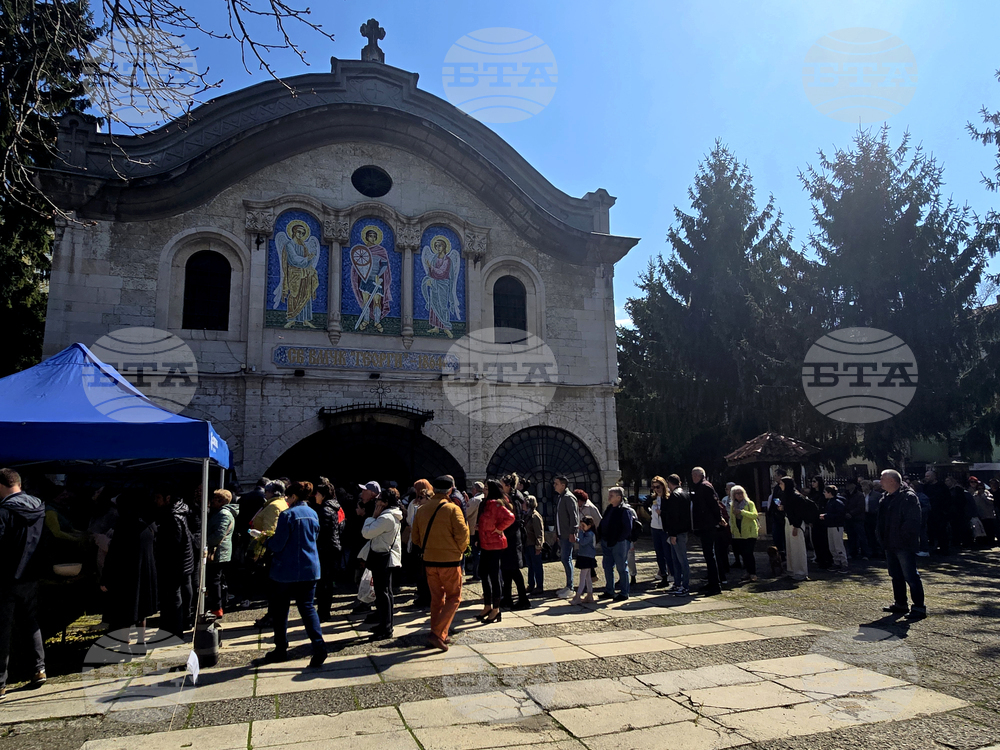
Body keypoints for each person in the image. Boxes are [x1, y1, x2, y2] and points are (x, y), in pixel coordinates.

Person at [258, 481, 327, 666]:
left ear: (294, 497)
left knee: (281, 610)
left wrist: (265, 541)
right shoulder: (313, 513)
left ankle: (281, 648)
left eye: (288, 497)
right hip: (310, 568)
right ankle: (319, 646)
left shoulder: (287, 515)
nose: (286, 500)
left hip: (286, 570)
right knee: (308, 608)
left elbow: (278, 544)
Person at [0, 469, 47, 699]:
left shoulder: (3, 511)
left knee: (2, 629)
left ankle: (0, 682)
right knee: (31, 622)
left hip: (6, 578)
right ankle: (39, 668)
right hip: (31, 575)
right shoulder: (39, 508)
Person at [411, 476, 470, 651]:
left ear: (433, 490)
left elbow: (415, 537)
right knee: (454, 597)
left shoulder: (421, 509)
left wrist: (430, 547)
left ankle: (440, 633)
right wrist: (459, 550)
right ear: (450, 490)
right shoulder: (453, 509)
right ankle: (436, 633)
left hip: (430, 560)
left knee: (437, 598)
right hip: (450, 561)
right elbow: (463, 535)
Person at [102, 490, 158, 635]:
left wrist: (105, 578)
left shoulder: (124, 525)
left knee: (124, 612)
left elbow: (114, 553)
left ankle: (125, 644)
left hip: (126, 576)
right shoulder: (149, 525)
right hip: (145, 574)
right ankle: (141, 642)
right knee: (141, 611)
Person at [877, 470, 926, 620]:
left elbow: (912, 521)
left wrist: (903, 537)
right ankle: (900, 603)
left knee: (910, 575)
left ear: (892, 481)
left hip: (903, 544)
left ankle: (919, 607)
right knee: (895, 575)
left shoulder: (908, 497)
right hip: (890, 542)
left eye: (882, 479)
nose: (880, 481)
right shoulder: (886, 498)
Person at [360, 488, 403, 640]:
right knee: (385, 592)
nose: (376, 502)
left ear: (385, 503)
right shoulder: (392, 515)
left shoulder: (386, 518)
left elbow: (366, 533)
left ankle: (386, 628)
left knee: (383, 593)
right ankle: (384, 624)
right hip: (384, 555)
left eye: (379, 500)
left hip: (382, 557)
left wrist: (372, 517)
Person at [152, 486, 194, 635]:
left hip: (175, 563)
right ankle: (173, 625)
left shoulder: (172, 516)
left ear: (168, 498)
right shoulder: (178, 511)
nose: (155, 501)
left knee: (173, 596)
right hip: (182, 561)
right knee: (176, 594)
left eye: (158, 498)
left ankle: (174, 630)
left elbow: (174, 543)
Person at [476, 480, 515, 624]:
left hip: (495, 544)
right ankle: (487, 605)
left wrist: (499, 529)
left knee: (493, 575)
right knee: (483, 574)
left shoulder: (495, 504)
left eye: (486, 488)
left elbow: (510, 517)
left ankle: (496, 609)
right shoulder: (485, 504)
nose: (484, 490)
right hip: (485, 543)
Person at [310, 479, 343, 621]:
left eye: (317, 493)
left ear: (323, 495)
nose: (314, 496)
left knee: (324, 583)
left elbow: (321, 532)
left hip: (326, 549)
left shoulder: (325, 510)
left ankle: (323, 612)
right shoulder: (333, 507)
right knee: (327, 583)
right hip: (333, 547)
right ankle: (324, 611)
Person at [690, 467, 725, 595]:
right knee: (708, 554)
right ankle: (712, 581)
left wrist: (718, 519)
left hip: (708, 525)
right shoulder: (700, 487)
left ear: (699, 475)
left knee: (710, 555)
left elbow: (714, 504)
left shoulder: (705, 486)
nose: (693, 478)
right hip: (705, 524)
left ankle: (715, 585)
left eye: (695, 475)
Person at [205, 489, 238, 619]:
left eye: (215, 499)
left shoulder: (223, 514)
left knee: (215, 581)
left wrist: (204, 540)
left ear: (222, 501)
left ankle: (217, 607)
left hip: (218, 553)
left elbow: (218, 535)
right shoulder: (221, 513)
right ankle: (218, 605)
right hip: (221, 552)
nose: (212, 501)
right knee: (218, 580)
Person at [599, 487, 632, 601]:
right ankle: (609, 590)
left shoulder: (624, 510)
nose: (609, 497)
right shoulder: (609, 508)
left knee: (622, 567)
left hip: (619, 543)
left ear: (619, 497)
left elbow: (627, 528)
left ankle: (624, 592)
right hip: (607, 541)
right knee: (607, 566)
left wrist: (619, 539)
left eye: (611, 495)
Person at [406, 479, 433, 608]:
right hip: (425, 542)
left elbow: (410, 521)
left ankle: (425, 596)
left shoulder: (414, 504)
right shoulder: (431, 503)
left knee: (422, 571)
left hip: (421, 542)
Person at [663, 475, 691, 596]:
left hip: (677, 531)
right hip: (682, 530)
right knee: (676, 559)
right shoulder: (684, 494)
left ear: (669, 483)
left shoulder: (674, 496)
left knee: (681, 559)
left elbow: (674, 516)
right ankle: (677, 583)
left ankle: (684, 585)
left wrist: (672, 533)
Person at [553, 475, 580, 598]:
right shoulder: (561, 497)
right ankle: (568, 585)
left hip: (567, 534)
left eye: (556, 483)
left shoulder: (569, 498)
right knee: (564, 558)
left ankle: (570, 586)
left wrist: (572, 532)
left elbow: (574, 517)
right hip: (562, 533)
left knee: (566, 558)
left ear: (563, 485)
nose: (554, 485)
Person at [780, 477, 809, 582]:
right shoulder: (787, 495)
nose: (780, 485)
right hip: (788, 521)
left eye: (782, 483)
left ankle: (801, 572)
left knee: (798, 548)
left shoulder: (796, 496)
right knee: (790, 548)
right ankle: (792, 570)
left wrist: (796, 526)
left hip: (796, 523)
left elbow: (800, 513)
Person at [728, 485, 759, 582]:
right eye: (737, 493)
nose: (740, 495)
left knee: (749, 553)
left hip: (750, 533)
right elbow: (732, 519)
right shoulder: (733, 505)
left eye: (741, 492)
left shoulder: (749, 503)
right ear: (733, 495)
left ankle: (753, 573)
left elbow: (754, 515)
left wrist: (742, 512)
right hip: (739, 534)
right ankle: (747, 572)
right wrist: (732, 530)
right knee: (743, 554)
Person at [648, 476, 672, 588]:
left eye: (658, 486)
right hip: (655, 528)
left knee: (667, 553)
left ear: (663, 486)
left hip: (664, 529)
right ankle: (663, 575)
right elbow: (645, 505)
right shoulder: (653, 498)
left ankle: (672, 574)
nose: (656, 489)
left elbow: (671, 514)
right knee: (659, 554)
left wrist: (662, 513)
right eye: (654, 487)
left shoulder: (668, 499)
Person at [821, 484, 849, 573]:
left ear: (829, 493)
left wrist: (826, 516)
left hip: (836, 526)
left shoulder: (837, 502)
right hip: (831, 526)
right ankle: (836, 562)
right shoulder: (830, 502)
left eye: (825, 492)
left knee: (838, 546)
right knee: (832, 546)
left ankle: (844, 563)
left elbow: (840, 515)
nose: (824, 494)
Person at [570, 516, 598, 604]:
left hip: (587, 557)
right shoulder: (588, 533)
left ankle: (578, 595)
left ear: (589, 525)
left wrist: (579, 534)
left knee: (583, 577)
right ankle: (590, 594)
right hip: (584, 556)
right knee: (587, 577)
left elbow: (582, 542)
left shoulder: (590, 534)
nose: (582, 527)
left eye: (583, 525)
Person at [808, 476, 833, 568]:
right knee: (815, 541)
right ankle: (819, 558)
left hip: (822, 520)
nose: (812, 483)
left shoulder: (823, 494)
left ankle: (826, 559)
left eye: (814, 481)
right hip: (814, 520)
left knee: (824, 541)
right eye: (812, 481)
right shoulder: (812, 494)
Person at [842, 479, 870, 561]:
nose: (847, 486)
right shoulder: (845, 495)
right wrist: (846, 513)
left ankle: (865, 553)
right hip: (849, 519)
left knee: (861, 536)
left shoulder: (859, 495)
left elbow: (860, 507)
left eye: (849, 484)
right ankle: (852, 552)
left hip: (858, 518)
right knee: (851, 536)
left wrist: (851, 513)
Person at [524, 495, 545, 594]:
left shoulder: (535, 516)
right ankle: (531, 584)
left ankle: (539, 586)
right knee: (530, 566)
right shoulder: (526, 515)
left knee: (537, 566)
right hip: (527, 544)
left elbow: (539, 533)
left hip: (534, 544)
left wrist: (538, 546)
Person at [464, 481, 485, 580]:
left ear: (475, 489)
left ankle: (476, 574)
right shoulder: (484, 498)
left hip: (473, 529)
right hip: (483, 529)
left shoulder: (474, 500)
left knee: (476, 553)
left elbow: (466, 513)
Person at [970, 477, 996, 547]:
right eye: (979, 488)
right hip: (980, 515)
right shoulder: (975, 495)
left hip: (989, 515)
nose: (980, 490)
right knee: (982, 530)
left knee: (990, 530)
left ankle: (991, 542)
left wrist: (983, 495)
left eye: (982, 488)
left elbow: (991, 502)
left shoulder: (987, 493)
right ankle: (983, 542)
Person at [865, 479, 883, 556]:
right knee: (868, 534)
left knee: (876, 533)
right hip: (866, 515)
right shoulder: (862, 495)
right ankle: (872, 550)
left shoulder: (877, 495)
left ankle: (880, 550)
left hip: (874, 515)